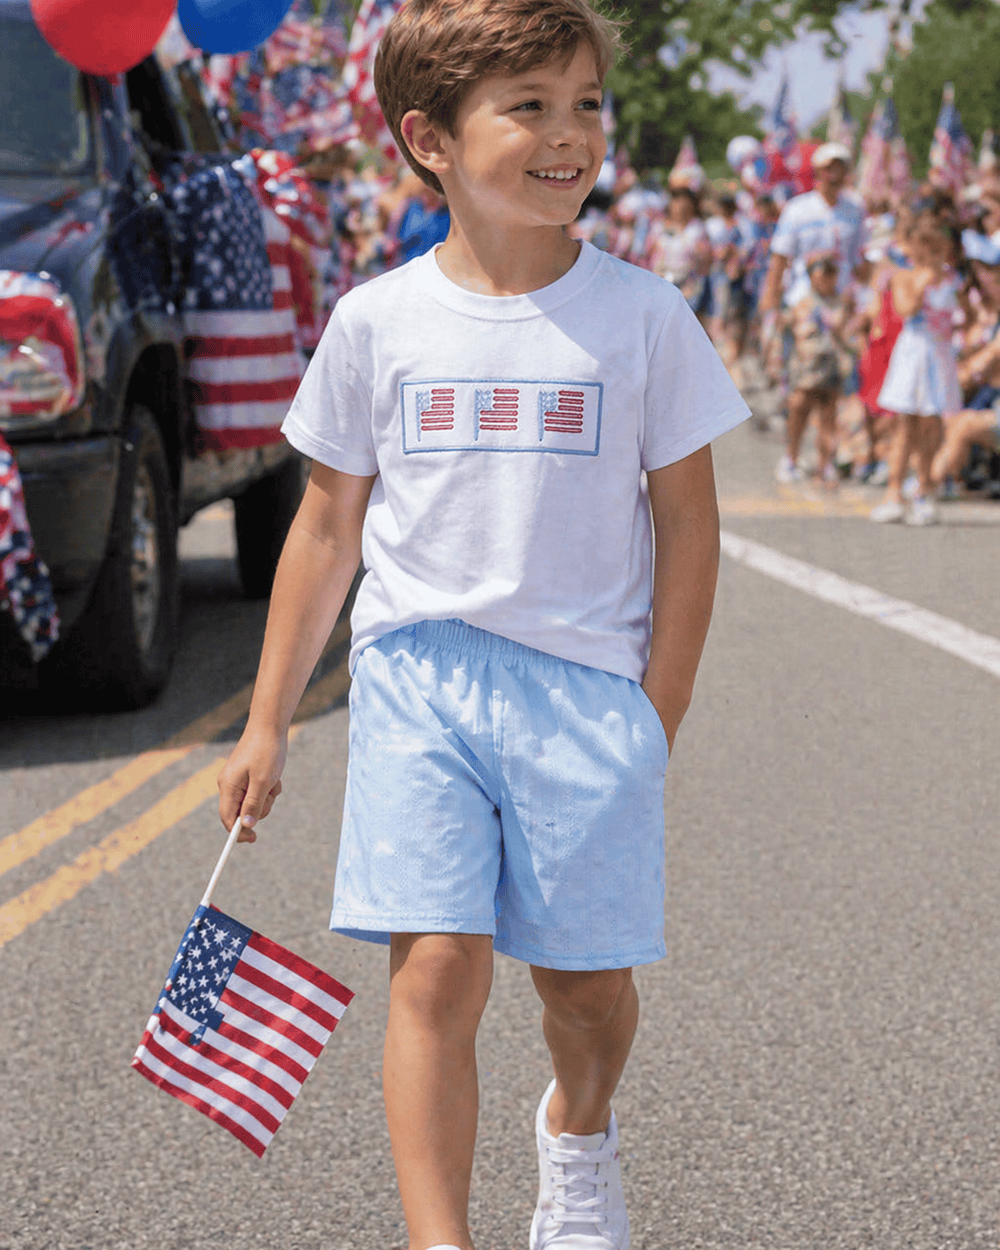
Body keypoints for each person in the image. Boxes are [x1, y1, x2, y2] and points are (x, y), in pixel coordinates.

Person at [216, 1, 749, 1247]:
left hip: (585, 689)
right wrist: (266, 724)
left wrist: (653, 710)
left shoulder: (643, 315)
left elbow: (689, 527)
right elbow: (327, 529)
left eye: (586, 105)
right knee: (437, 968)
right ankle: (436, 1236)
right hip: (417, 677)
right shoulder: (376, 321)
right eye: (530, 107)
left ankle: (577, 1128)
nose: (569, 135)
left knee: (582, 986)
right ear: (431, 139)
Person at [758, 142, 870, 480]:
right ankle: (791, 457)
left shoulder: (855, 210)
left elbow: (861, 261)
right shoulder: (798, 209)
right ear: (818, 172)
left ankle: (826, 461)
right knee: (802, 393)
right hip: (806, 310)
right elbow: (779, 261)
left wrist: (870, 299)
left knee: (833, 394)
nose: (834, 173)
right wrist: (770, 307)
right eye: (829, 167)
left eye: (841, 167)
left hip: (841, 310)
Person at [871, 211, 962, 525]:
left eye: (940, 250)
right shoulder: (904, 276)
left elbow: (964, 314)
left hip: (941, 354)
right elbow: (904, 309)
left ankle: (924, 489)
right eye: (929, 249)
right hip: (914, 353)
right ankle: (893, 490)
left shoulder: (954, 280)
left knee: (932, 425)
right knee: (905, 426)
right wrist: (922, 284)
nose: (935, 257)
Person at [777, 250, 857, 485]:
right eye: (823, 273)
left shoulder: (841, 303)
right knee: (799, 412)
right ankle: (790, 458)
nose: (827, 278)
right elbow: (788, 333)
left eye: (831, 273)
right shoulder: (802, 302)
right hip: (806, 368)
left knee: (828, 417)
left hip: (831, 366)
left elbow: (846, 334)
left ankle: (826, 463)